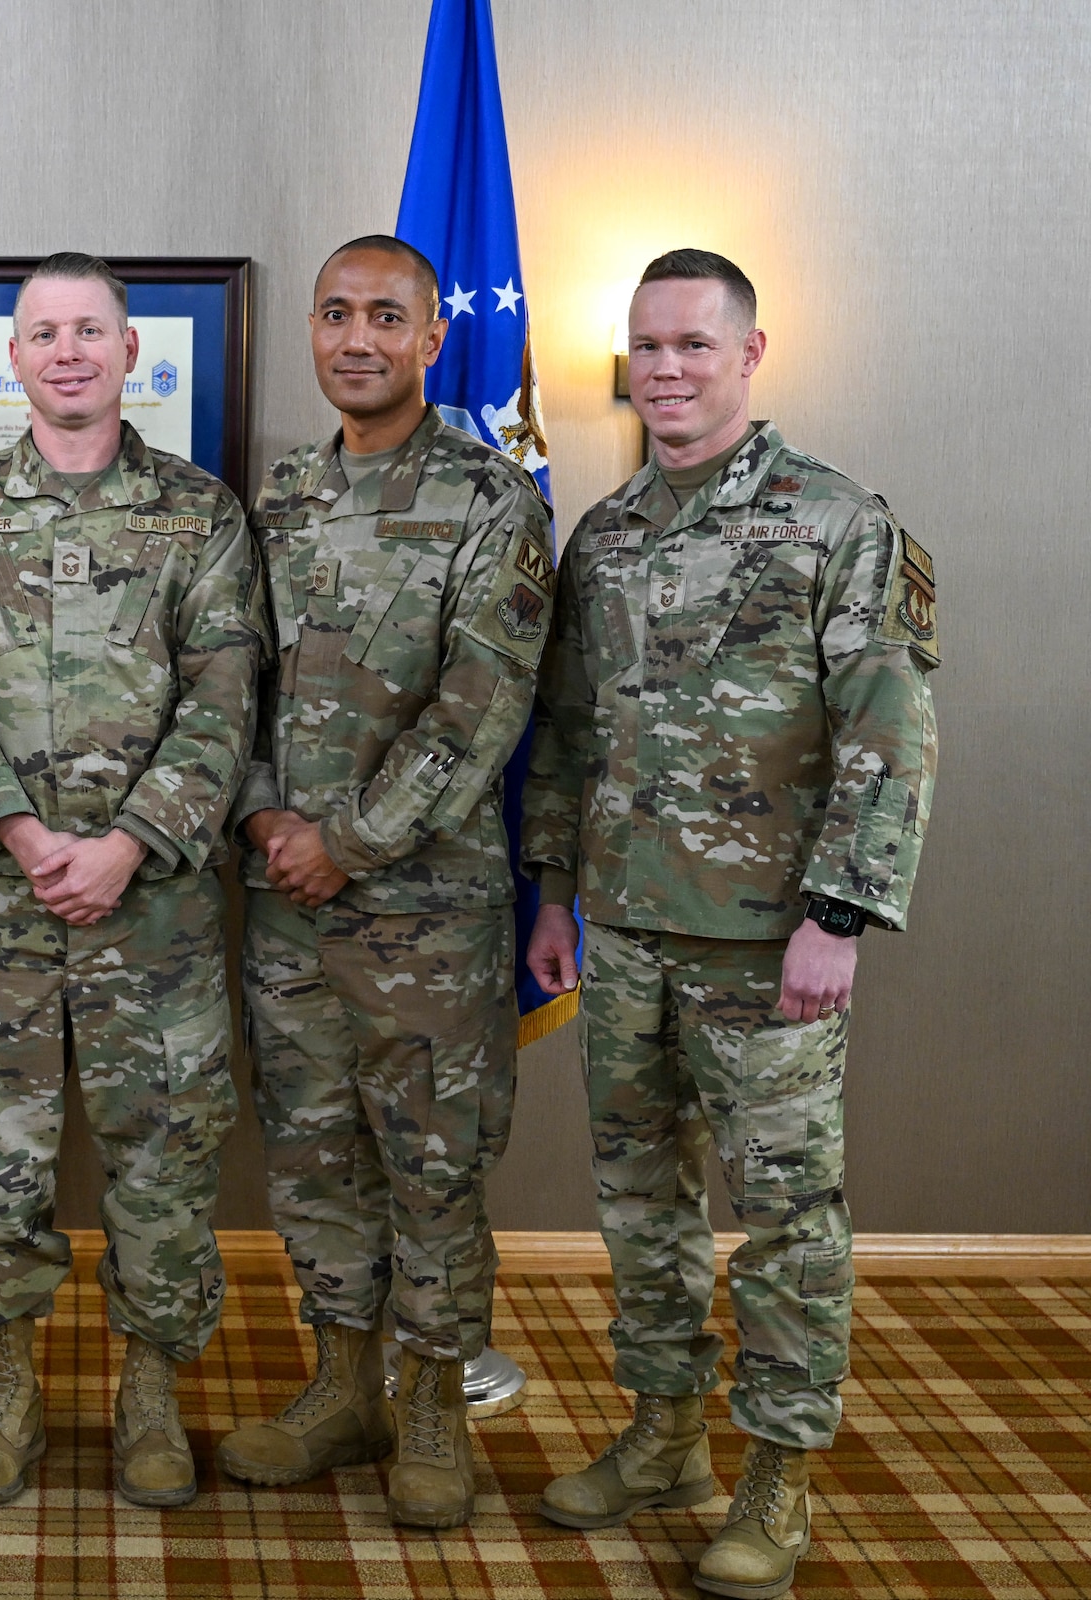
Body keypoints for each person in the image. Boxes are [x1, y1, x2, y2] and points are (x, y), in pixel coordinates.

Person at [522, 249, 938, 1598]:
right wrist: (549, 892)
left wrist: (841, 913)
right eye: (647, 347)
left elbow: (890, 728)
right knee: (641, 1208)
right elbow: (573, 735)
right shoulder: (608, 533)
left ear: (751, 354)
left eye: (695, 345)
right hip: (628, 932)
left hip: (771, 944)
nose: (667, 370)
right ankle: (661, 1436)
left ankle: (777, 1470)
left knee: (784, 1221)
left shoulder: (837, 522)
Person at [0, 252, 263, 1508]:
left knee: (163, 1159)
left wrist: (128, 841)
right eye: (42, 334)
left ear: (129, 352)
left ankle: (150, 1389)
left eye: (88, 332)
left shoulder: (199, 517)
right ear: (13, 357)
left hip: (149, 905)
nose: (66, 353)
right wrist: (19, 835)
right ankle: (6, 1388)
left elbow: (224, 698)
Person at [212, 236, 554, 1529]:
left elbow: (479, 710)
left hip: (425, 917)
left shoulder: (489, 501)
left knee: (431, 1164)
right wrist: (258, 819)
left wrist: (341, 839)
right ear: (313, 330)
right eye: (337, 313)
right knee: (311, 1158)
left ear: (431, 340)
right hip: (286, 908)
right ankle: (343, 1379)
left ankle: (428, 1399)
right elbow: (226, 682)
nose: (359, 337)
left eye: (387, 317)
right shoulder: (283, 499)